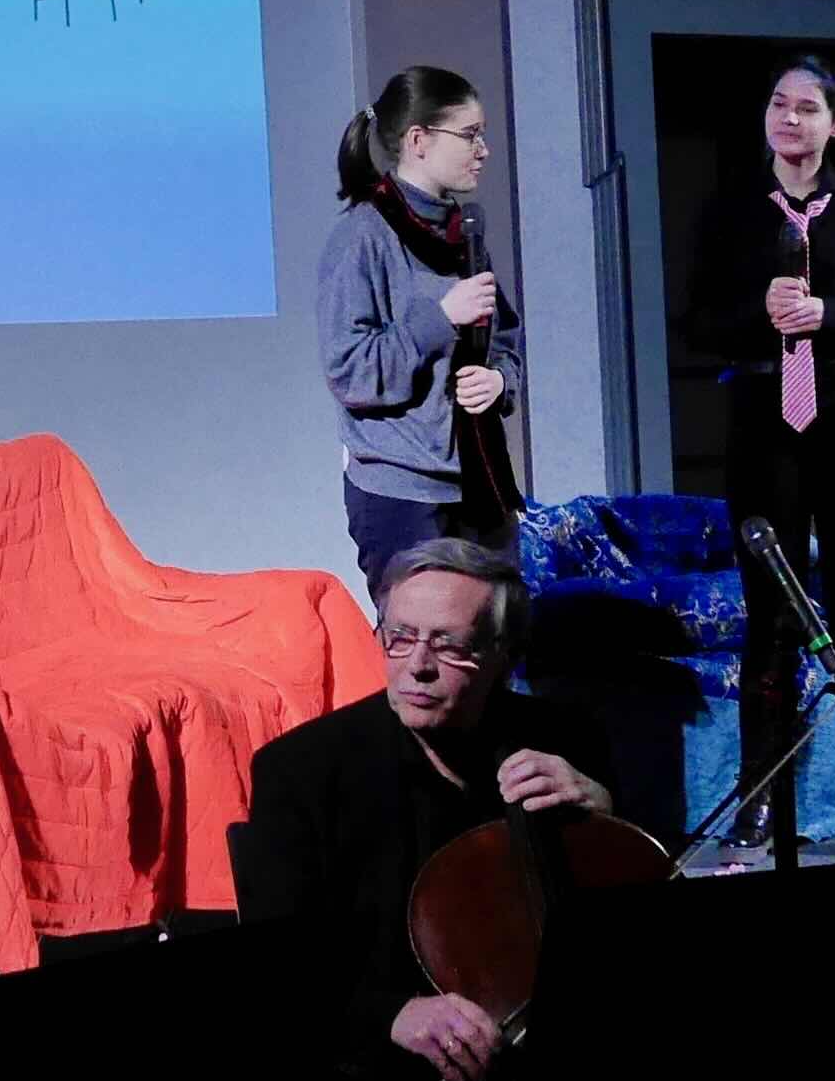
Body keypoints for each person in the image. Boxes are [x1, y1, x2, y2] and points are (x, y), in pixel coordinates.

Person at [243, 539, 615, 1080]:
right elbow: (275, 960)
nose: (417, 667)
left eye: (450, 645)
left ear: (504, 656)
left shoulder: (566, 740)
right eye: (400, 638)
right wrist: (392, 1013)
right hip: (377, 1060)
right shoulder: (300, 770)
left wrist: (603, 818)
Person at [684, 55, 835, 845]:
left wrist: (833, 312)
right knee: (771, 613)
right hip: (762, 413)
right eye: (777, 104)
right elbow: (696, 322)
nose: (788, 119)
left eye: (807, 107)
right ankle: (760, 791)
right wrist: (758, 311)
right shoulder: (729, 211)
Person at [319, 67, 526, 603]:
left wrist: (499, 381)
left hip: (479, 481)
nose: (483, 150)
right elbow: (351, 372)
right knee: (421, 641)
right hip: (404, 496)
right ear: (419, 141)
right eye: (470, 134)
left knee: (496, 637)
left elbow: (505, 338)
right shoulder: (363, 236)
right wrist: (440, 318)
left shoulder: (462, 233)